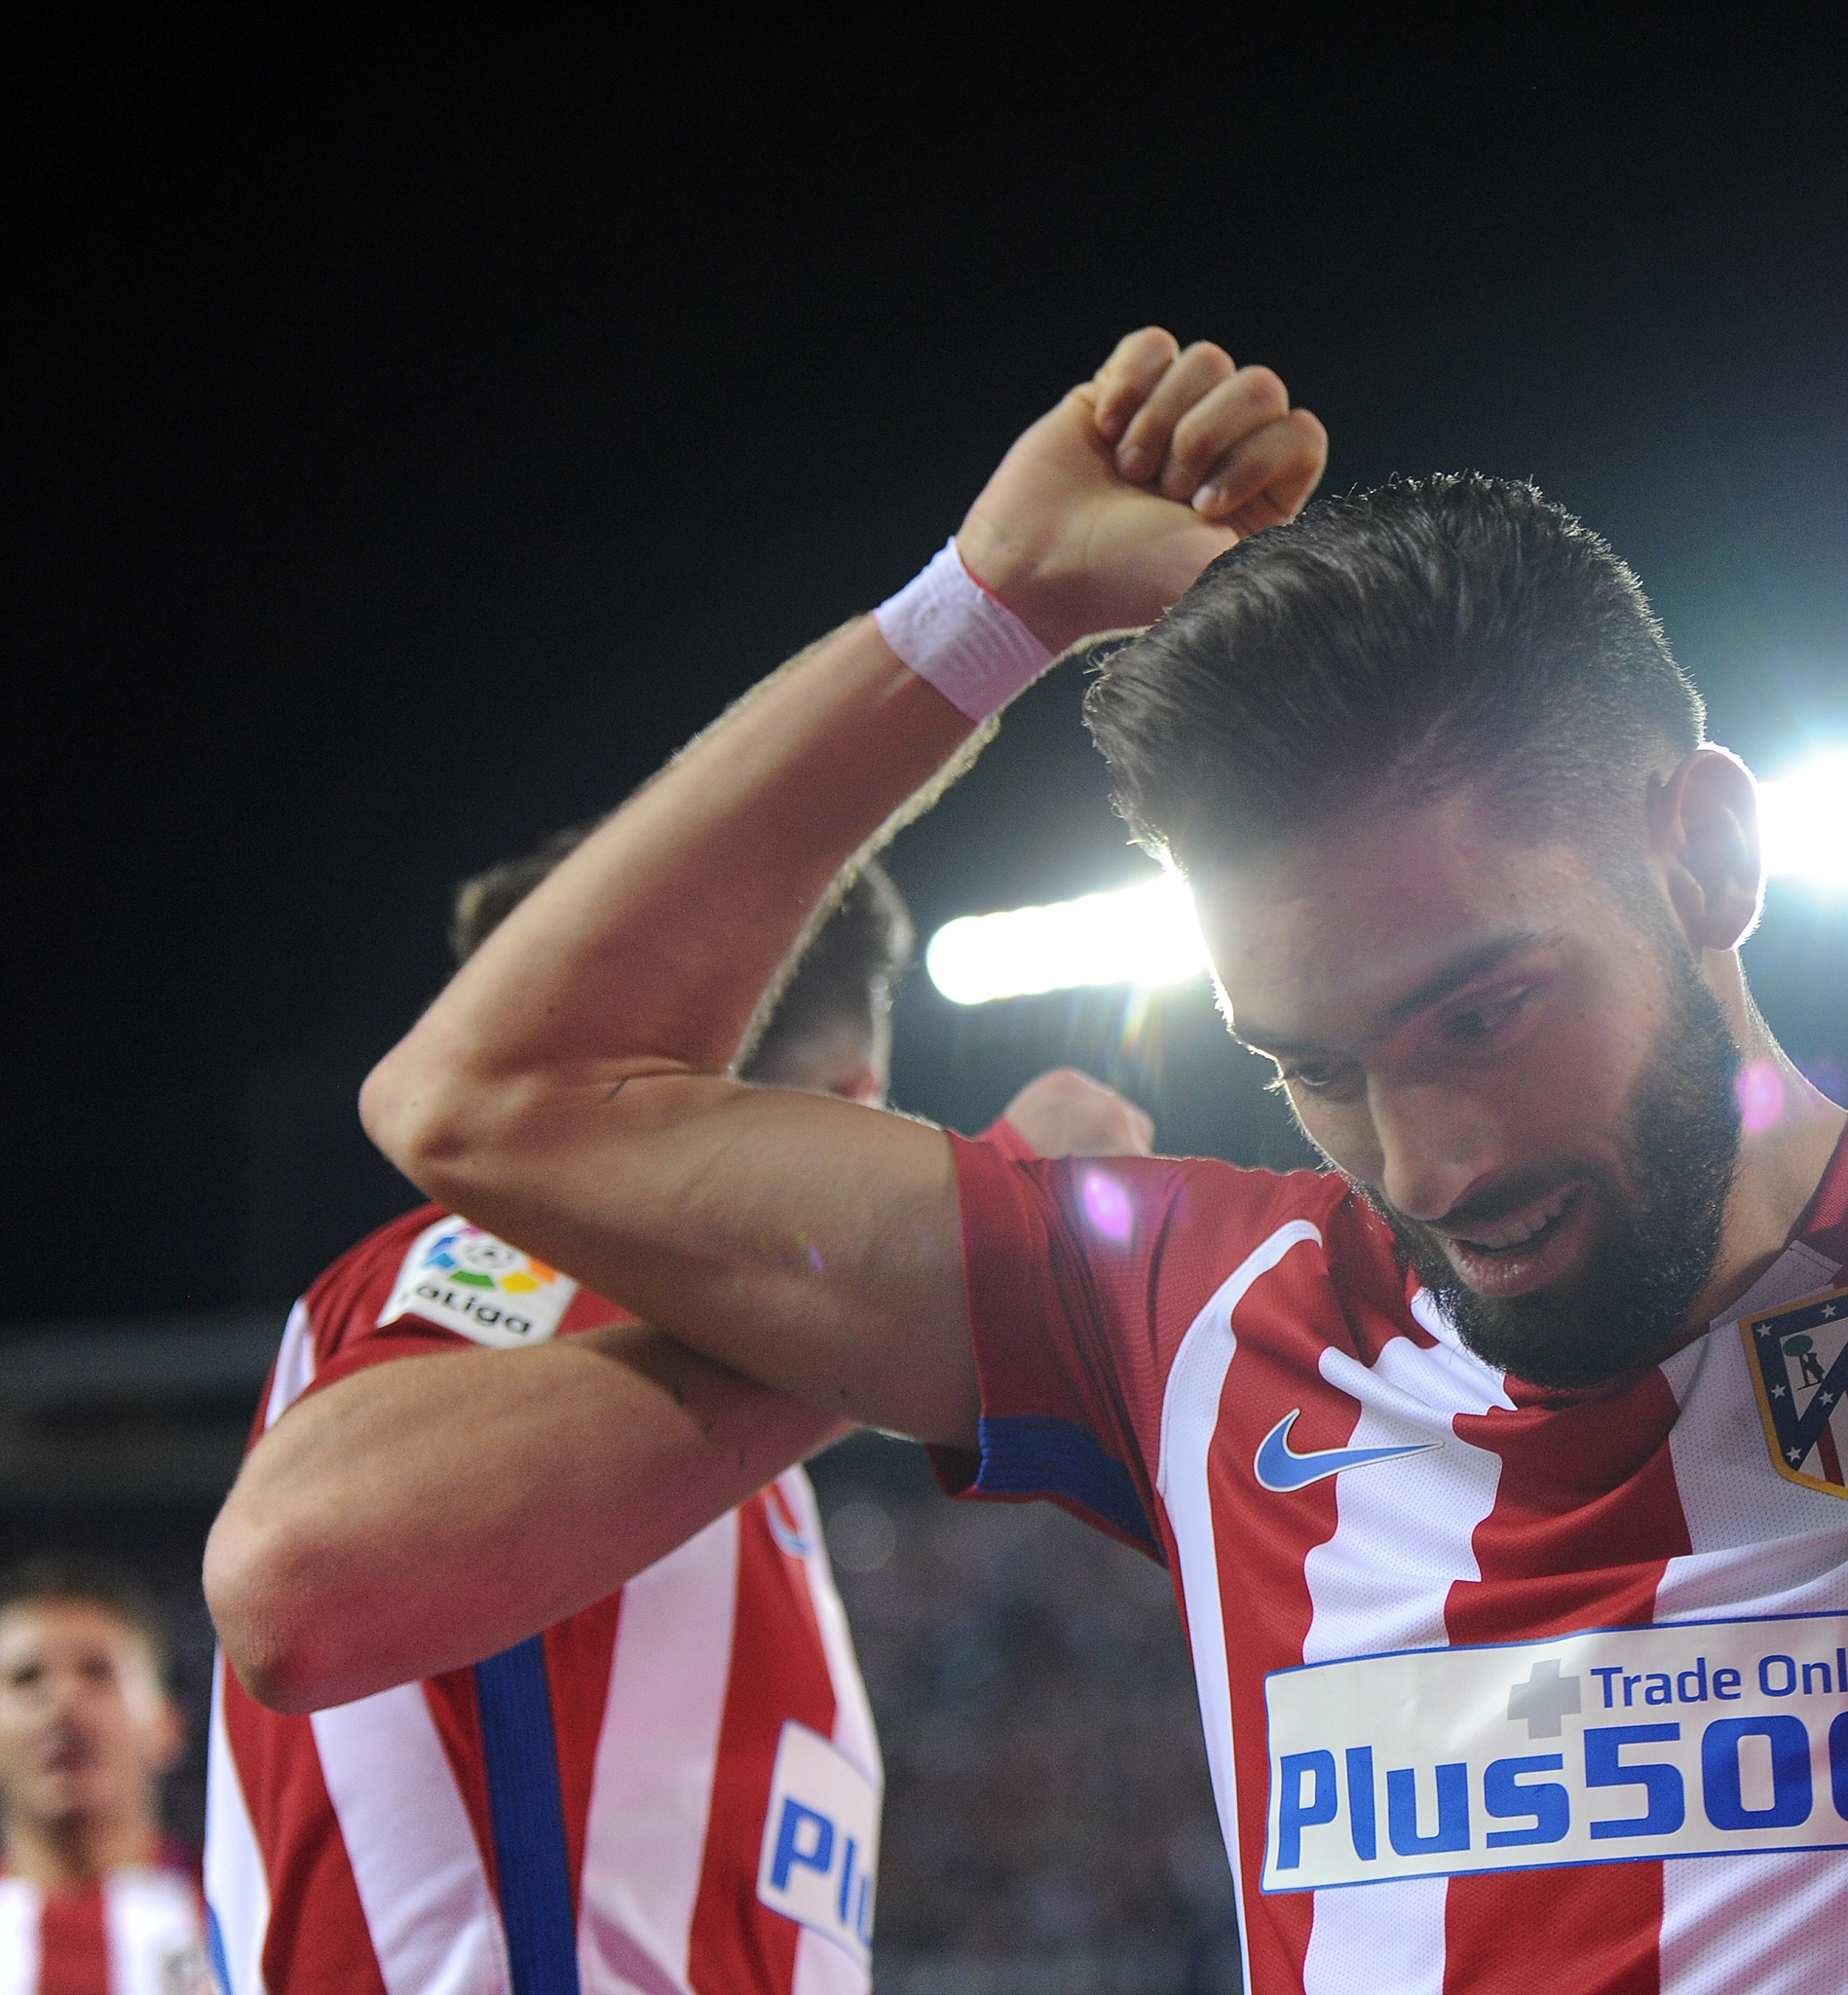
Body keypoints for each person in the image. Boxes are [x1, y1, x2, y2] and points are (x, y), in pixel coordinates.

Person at [353, 63, 1848, 1995]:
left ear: (1709, 853)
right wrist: (978, 609)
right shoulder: (1198, 1316)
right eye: (1309, 1058)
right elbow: (482, 1101)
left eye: (1480, 1002)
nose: (1421, 1152)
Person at [200, 834, 1150, 1995]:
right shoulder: (525, 1254)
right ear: (857, 1103)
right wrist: (954, 1262)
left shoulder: (700, 1433)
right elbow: (308, 1565)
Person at [0, 1556, 212, 1995]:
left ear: (166, 1727)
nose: (62, 1700)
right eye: (26, 1678)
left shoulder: (240, 1912)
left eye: (98, 1672)